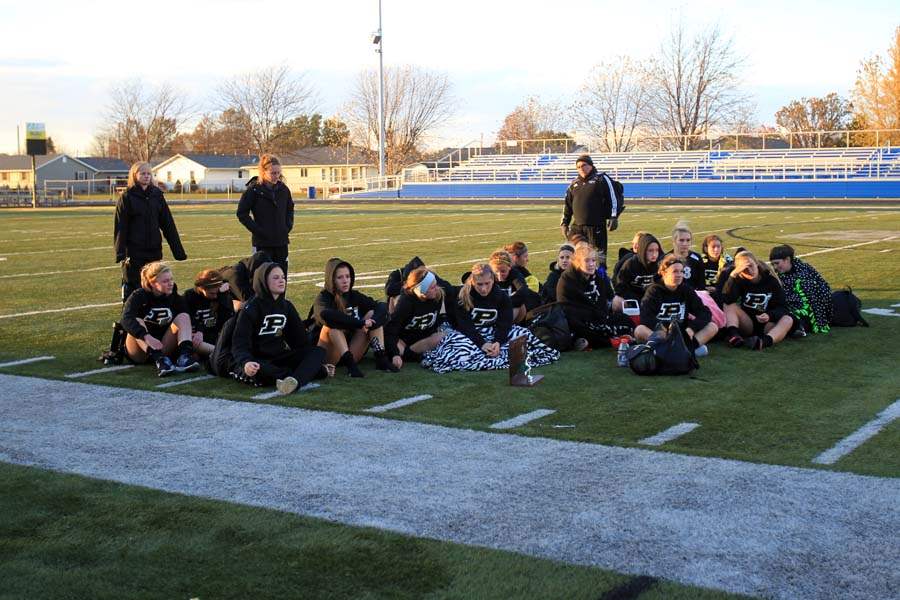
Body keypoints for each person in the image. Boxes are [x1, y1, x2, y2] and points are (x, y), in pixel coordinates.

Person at [422, 263, 559, 373]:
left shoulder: (501, 296)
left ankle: (492, 353)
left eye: (487, 283)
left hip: (492, 332)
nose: (484, 288)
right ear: (473, 281)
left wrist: (497, 342)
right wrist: (482, 344)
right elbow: (465, 326)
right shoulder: (462, 296)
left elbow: (505, 323)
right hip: (467, 334)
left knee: (523, 333)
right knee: (457, 346)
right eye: (479, 284)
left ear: (493, 280)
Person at [231, 262, 331, 394]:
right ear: (263, 281)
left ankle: (294, 381)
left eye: (283, 277)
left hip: (280, 357)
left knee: (318, 352)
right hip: (260, 360)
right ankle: (302, 374)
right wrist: (246, 362)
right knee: (259, 371)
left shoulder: (286, 306)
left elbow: (300, 342)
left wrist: (313, 359)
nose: (281, 280)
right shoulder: (251, 308)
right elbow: (239, 343)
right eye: (275, 277)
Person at [114, 162, 187, 302]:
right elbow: (121, 227)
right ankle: (131, 313)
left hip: (154, 250)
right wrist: (121, 253)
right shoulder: (127, 197)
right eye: (143, 173)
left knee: (155, 286)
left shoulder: (157, 195)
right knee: (134, 288)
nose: (146, 176)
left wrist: (178, 251)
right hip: (134, 252)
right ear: (134, 175)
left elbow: (168, 224)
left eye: (149, 173)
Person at [313, 257, 391, 376]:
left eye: (347, 276)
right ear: (331, 280)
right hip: (330, 355)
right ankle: (351, 367)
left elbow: (381, 306)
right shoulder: (323, 298)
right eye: (340, 277)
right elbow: (325, 315)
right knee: (331, 326)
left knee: (372, 314)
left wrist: (373, 322)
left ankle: (381, 358)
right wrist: (359, 323)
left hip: (352, 351)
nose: (345, 281)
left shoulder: (354, 295)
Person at [121, 262, 200, 376]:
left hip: (163, 345)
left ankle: (184, 357)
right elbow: (125, 319)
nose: (170, 283)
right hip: (139, 350)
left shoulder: (174, 297)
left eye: (171, 279)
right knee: (137, 320)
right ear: (152, 283)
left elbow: (190, 316)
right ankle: (160, 360)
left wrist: (199, 331)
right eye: (165, 281)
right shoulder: (138, 295)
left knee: (183, 316)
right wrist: (146, 337)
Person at [635, 255, 718, 357]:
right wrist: (665, 331)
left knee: (712, 326)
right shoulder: (654, 291)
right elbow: (646, 317)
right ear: (664, 273)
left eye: (681, 271)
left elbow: (705, 312)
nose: (679, 275)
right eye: (675, 271)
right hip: (662, 334)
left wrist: (692, 328)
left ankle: (681, 351)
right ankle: (685, 352)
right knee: (640, 330)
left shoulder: (686, 290)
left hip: (682, 335)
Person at [557, 243, 632, 350]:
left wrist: (607, 312)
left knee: (626, 320)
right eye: (587, 261)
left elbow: (605, 301)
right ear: (578, 262)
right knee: (592, 331)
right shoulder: (567, 279)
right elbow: (567, 310)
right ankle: (589, 340)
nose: (591, 264)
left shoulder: (598, 276)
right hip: (577, 321)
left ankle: (599, 339)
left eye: (593, 260)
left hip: (597, 317)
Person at [722, 251, 795, 351]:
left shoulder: (771, 281)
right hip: (748, 324)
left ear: (756, 263)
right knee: (729, 305)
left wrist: (769, 315)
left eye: (751, 266)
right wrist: (733, 275)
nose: (749, 271)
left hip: (767, 324)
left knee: (788, 319)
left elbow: (783, 307)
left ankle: (763, 342)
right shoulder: (740, 281)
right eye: (744, 269)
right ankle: (734, 336)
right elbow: (727, 299)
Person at [384, 267, 453, 370]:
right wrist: (395, 354)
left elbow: (434, 324)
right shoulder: (406, 302)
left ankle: (411, 355)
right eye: (432, 287)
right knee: (392, 347)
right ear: (422, 291)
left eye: (436, 284)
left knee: (444, 337)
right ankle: (414, 355)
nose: (437, 288)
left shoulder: (438, 295)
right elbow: (391, 329)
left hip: (423, 338)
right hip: (403, 339)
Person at [236, 154, 294, 275]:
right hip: (262, 243)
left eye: (278, 173)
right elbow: (242, 213)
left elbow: (290, 209)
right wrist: (258, 230)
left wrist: (287, 227)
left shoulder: (284, 189)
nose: (276, 176)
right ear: (263, 172)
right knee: (262, 276)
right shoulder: (253, 190)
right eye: (273, 173)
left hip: (281, 241)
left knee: (281, 277)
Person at [560, 154, 622, 262]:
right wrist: (564, 223)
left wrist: (614, 217)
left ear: (591, 165)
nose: (581, 168)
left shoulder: (601, 179)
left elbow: (613, 198)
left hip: (596, 227)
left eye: (584, 165)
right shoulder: (574, 184)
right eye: (578, 167)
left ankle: (601, 273)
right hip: (577, 228)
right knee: (573, 258)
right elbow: (568, 205)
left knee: (598, 259)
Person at [769, 244, 832, 334]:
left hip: (812, 309)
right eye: (773, 264)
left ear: (787, 259)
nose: (775, 267)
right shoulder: (779, 275)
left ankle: (798, 327)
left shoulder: (804, 271)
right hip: (792, 309)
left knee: (787, 317)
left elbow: (821, 289)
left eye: (777, 263)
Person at [183, 269, 235, 357]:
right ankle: (222, 354)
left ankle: (220, 353)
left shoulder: (222, 296)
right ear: (201, 288)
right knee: (192, 341)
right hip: (198, 337)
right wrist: (199, 330)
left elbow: (228, 321)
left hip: (215, 335)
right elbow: (186, 318)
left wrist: (222, 296)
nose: (215, 296)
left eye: (217, 293)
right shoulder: (190, 296)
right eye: (212, 293)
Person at [612, 233, 662, 313]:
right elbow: (620, 285)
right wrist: (634, 299)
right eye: (650, 250)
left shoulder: (661, 264)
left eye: (657, 250)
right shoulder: (631, 263)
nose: (654, 254)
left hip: (651, 297)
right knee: (617, 302)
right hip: (632, 297)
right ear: (643, 250)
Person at [488, 250, 540, 322]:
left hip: (524, 307)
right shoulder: (488, 276)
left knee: (519, 303)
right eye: (496, 271)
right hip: (499, 308)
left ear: (509, 267)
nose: (499, 275)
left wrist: (505, 302)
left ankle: (508, 324)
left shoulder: (515, 275)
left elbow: (523, 291)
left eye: (503, 271)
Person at [666, 224, 706, 290]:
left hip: (693, 294)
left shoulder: (697, 258)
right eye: (681, 240)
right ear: (674, 241)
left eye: (688, 240)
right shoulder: (666, 259)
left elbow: (701, 284)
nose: (685, 243)